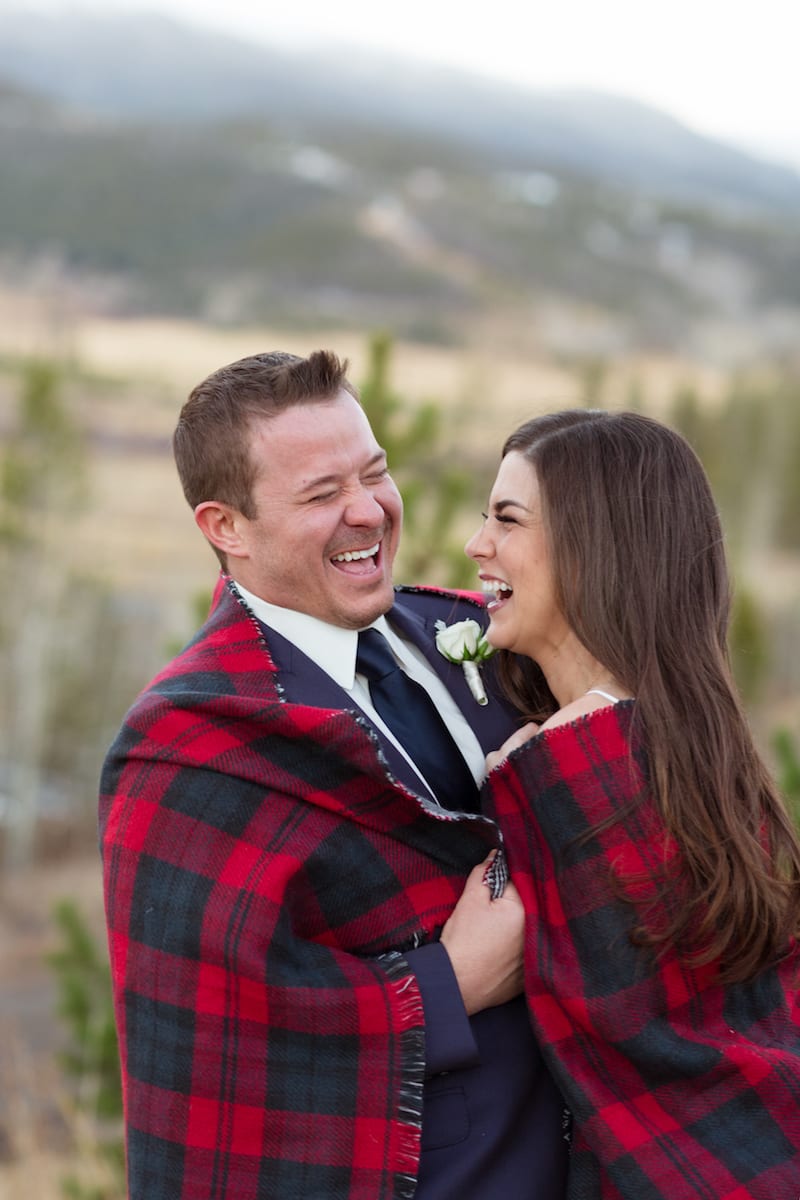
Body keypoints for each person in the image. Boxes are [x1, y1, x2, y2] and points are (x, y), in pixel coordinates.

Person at [99, 350, 568, 1200]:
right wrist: (450, 984)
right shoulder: (185, 742)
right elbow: (221, 1044)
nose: (369, 512)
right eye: (321, 495)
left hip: (595, 1148)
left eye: (375, 472)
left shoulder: (468, 632)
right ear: (225, 527)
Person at [466, 409, 800, 1198]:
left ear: (593, 548)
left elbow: (642, 1055)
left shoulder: (580, 763)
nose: (478, 544)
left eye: (507, 520)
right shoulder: (692, 730)